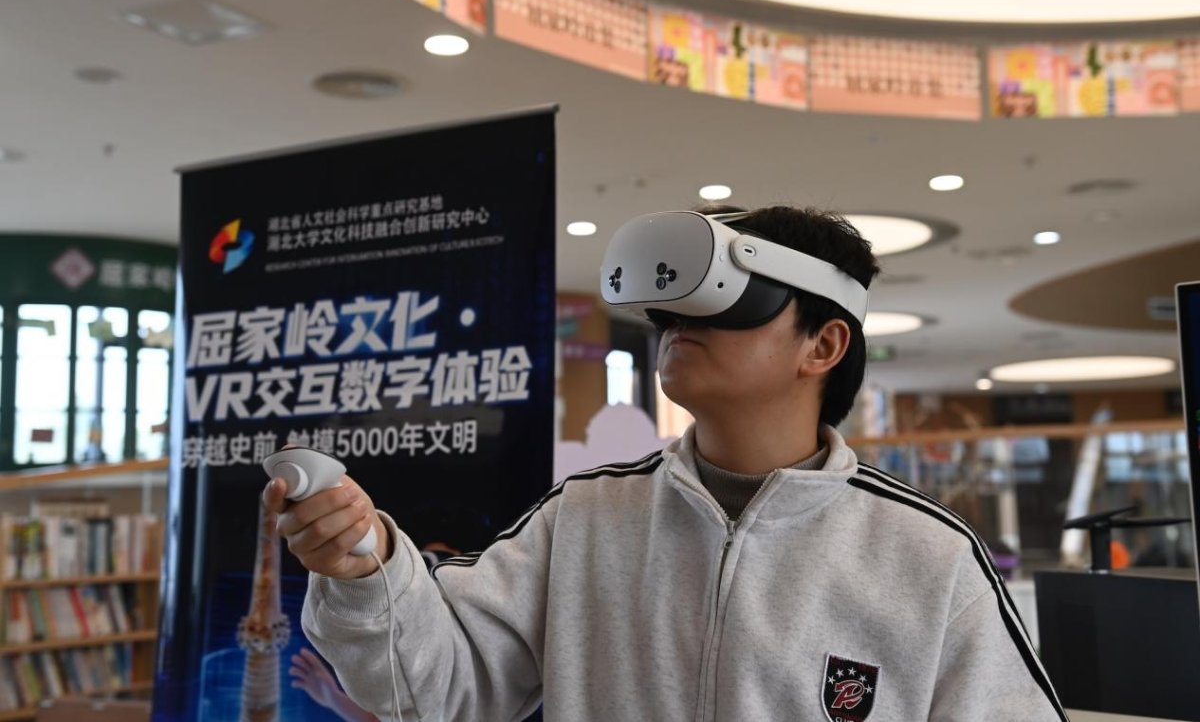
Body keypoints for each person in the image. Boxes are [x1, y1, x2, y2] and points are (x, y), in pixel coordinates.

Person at [263, 205, 1068, 720]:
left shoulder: (927, 557)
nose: (679, 321)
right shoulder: (586, 518)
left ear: (824, 345)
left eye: (728, 298)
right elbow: (439, 687)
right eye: (671, 308)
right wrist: (366, 566)